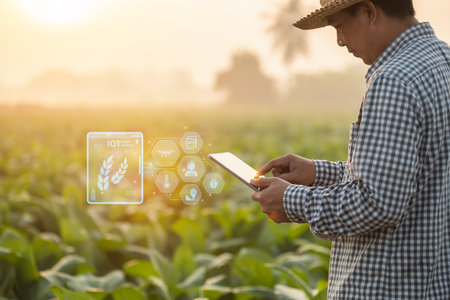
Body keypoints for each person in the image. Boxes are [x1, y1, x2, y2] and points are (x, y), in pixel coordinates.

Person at [250, 0, 450, 298]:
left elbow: (377, 202)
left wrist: (290, 199)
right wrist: (318, 173)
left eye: (340, 25)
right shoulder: (442, 59)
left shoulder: (394, 80)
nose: (340, 41)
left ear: (369, 11)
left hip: (390, 288)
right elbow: (409, 176)